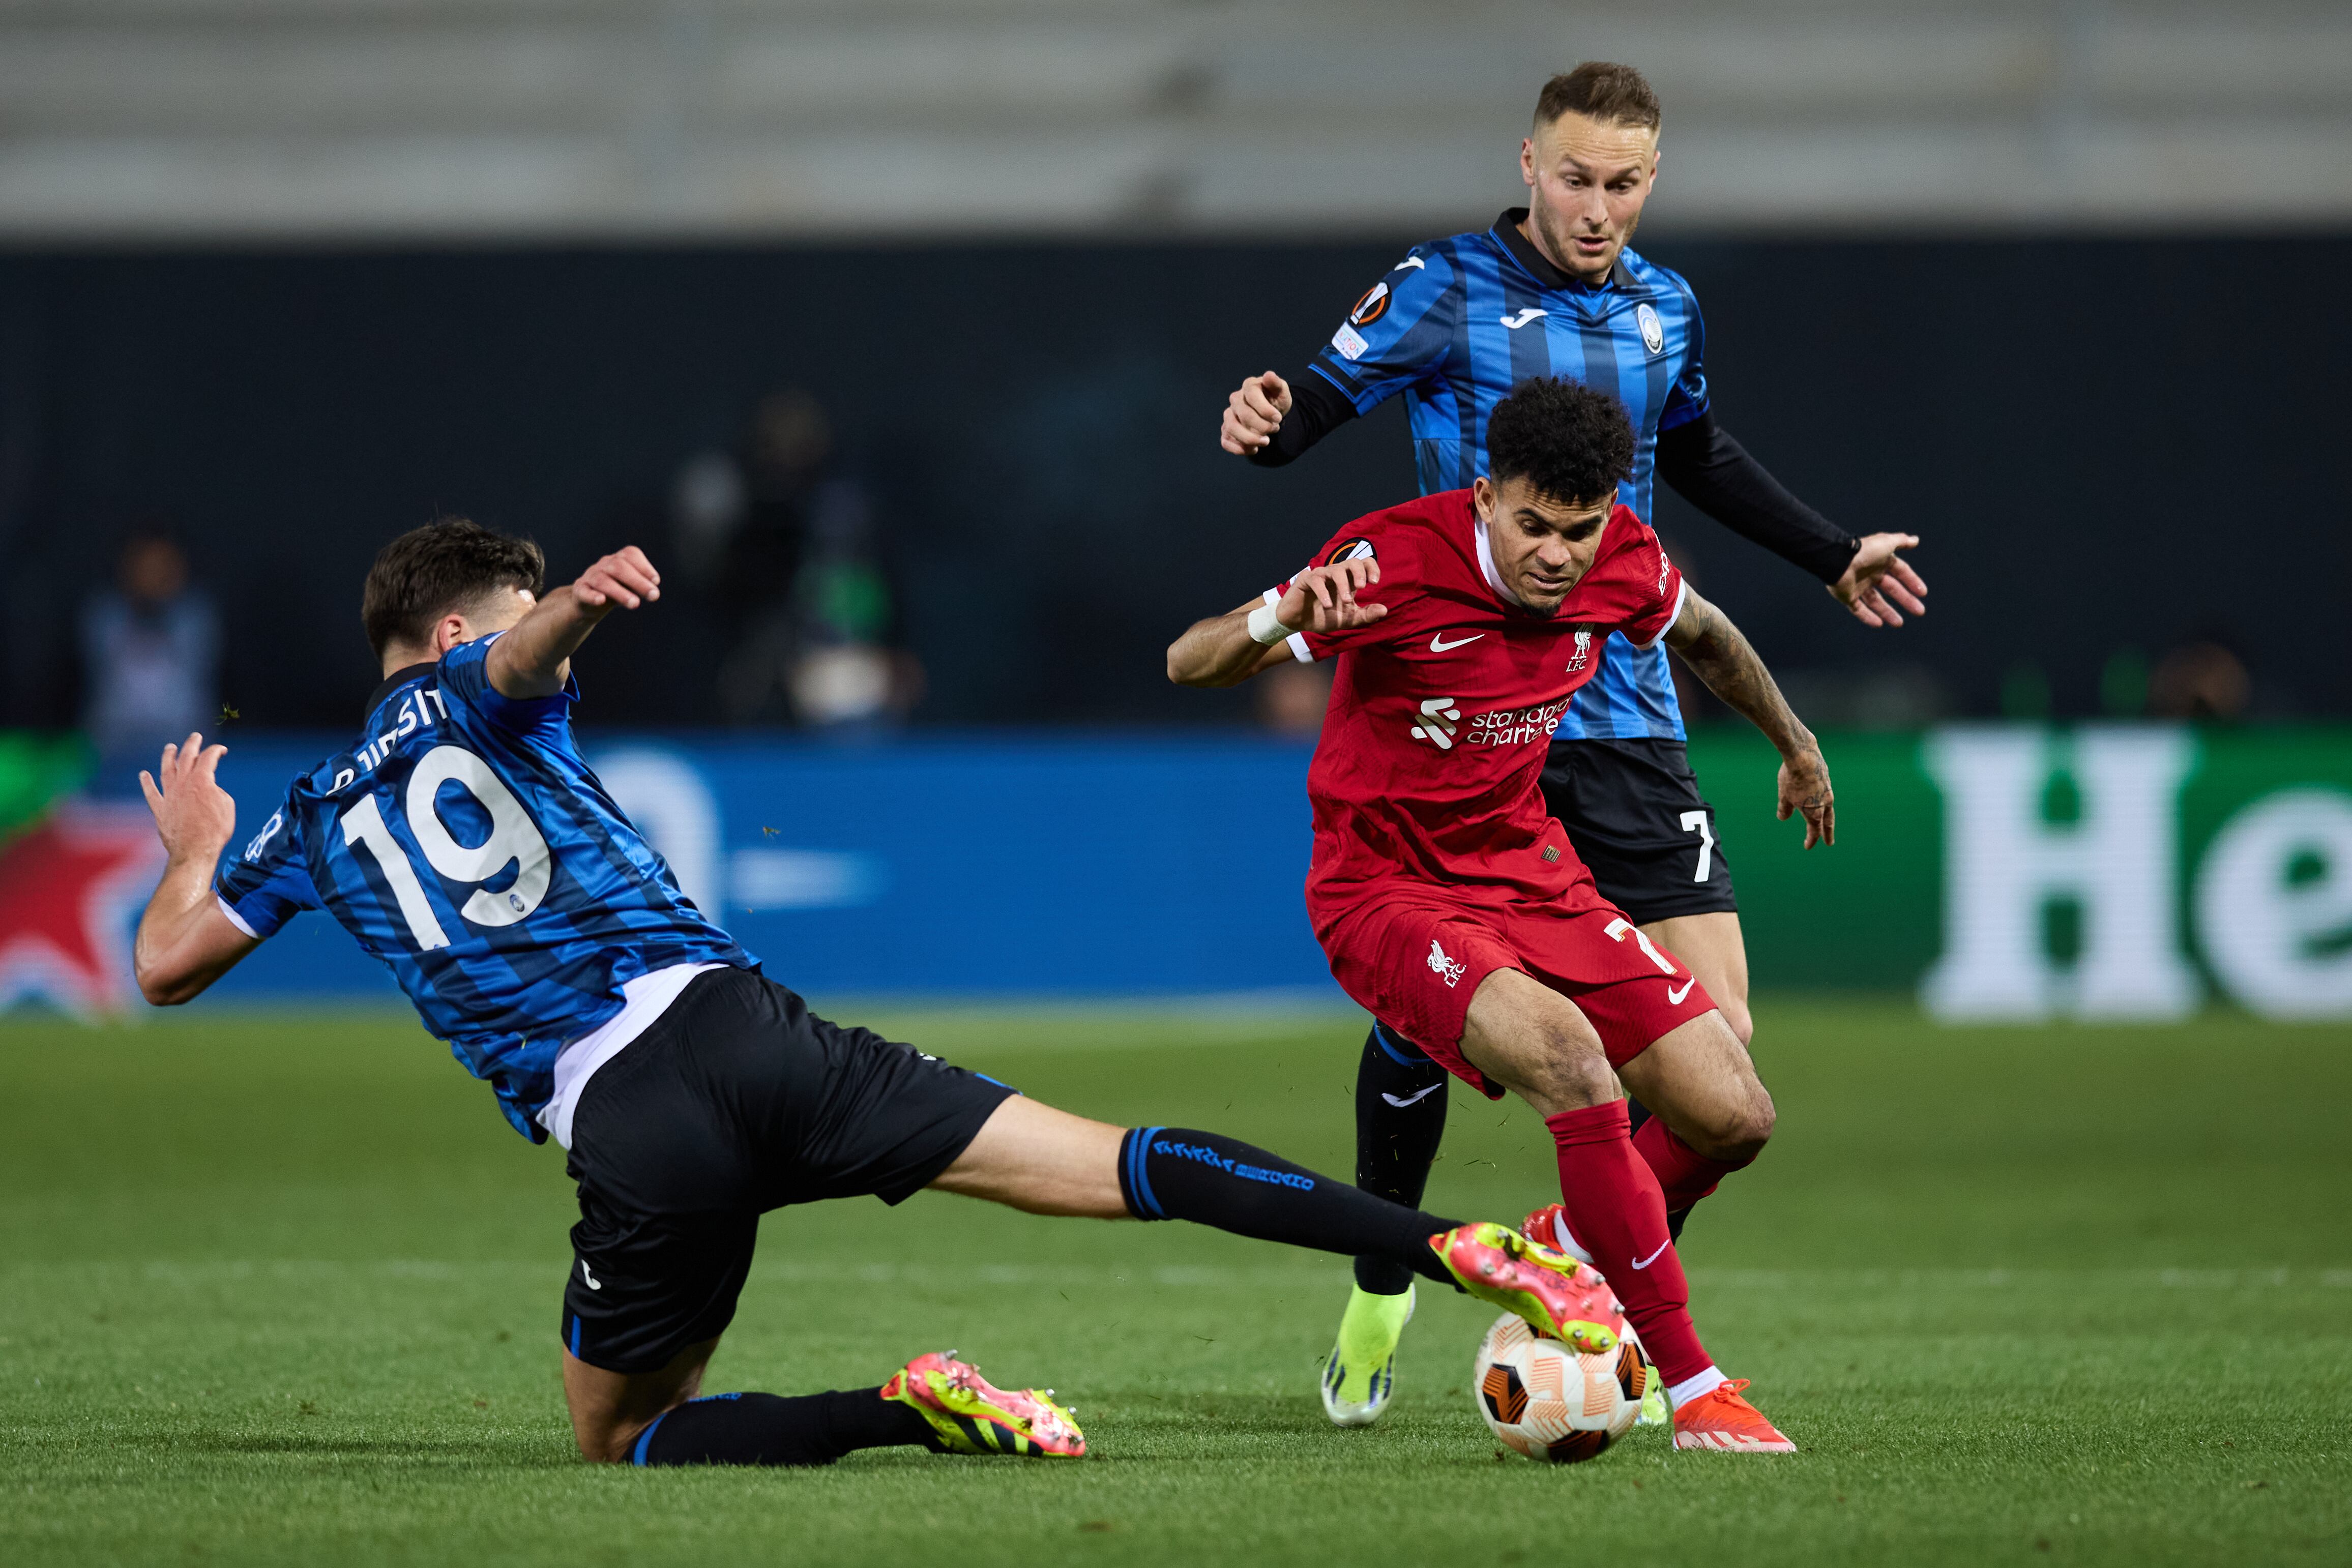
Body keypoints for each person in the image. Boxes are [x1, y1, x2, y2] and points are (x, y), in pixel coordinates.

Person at [128, 517, 1611, 1470]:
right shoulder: (479, 682)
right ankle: (1463, 1246)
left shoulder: (306, 817)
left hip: (629, 1118)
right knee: (1115, 1164)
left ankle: (910, 1406)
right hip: (753, 1034)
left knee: (625, 1436)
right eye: (511, 615)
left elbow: (165, 964)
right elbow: (508, 669)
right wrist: (568, 609)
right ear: (453, 633)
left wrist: (190, 852)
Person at [1212, 61, 1926, 1426]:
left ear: (1653, 181)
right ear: (1529, 163)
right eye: (1579, 178)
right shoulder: (1444, 285)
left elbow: (1700, 453)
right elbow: (1312, 403)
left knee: (1721, 1053)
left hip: (1628, 715)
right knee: (1432, 1025)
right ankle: (1385, 1275)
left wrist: (1830, 554)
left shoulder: (1667, 306)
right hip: (1470, 712)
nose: (1602, 208)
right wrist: (1263, 433)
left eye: (1628, 183)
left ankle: (1575, 1263)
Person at [1170, 377, 1840, 1452]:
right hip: (1381, 885)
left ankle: (1567, 1234)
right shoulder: (1386, 559)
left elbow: (1706, 634)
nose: (1555, 555)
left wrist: (1793, 740)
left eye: (1577, 531)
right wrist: (1281, 616)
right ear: (1484, 495)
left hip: (1527, 872)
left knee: (1734, 1111)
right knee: (1572, 1063)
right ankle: (1690, 1382)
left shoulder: (1619, 555)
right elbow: (1187, 660)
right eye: (1531, 525)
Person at [81, 529, 220, 794]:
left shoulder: (196, 620)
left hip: (183, 755)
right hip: (112, 757)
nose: (153, 576)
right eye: (145, 567)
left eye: (162, 568)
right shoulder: (103, 618)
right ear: (127, 570)